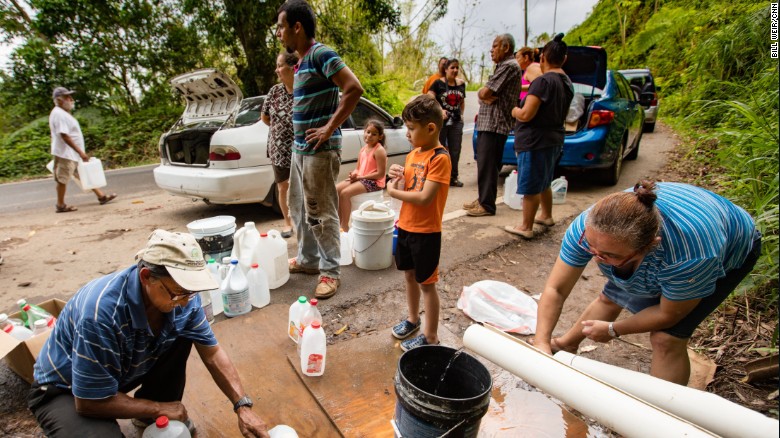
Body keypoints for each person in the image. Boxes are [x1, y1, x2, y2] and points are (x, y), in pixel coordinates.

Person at [28, 230, 269, 437]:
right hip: (66, 390)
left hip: (115, 373)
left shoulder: (183, 295)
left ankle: (147, 413)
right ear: (146, 277)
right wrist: (157, 408)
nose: (186, 302)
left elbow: (212, 353)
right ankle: (152, 409)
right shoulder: (100, 314)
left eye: (191, 293)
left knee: (184, 331)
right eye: (178, 294)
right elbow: (88, 401)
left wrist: (242, 405)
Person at [534, 181, 762, 385]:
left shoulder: (691, 256)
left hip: (732, 246)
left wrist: (614, 330)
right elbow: (556, 289)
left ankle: (663, 414)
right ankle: (565, 344)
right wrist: (541, 343)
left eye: (608, 255)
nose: (596, 258)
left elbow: (668, 313)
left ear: (649, 247)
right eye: (591, 247)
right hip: (667, 228)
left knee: (666, 337)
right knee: (612, 295)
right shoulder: (589, 227)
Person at [276, 0, 364, 299]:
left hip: (319, 150)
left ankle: (330, 271)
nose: (279, 34)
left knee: (321, 211)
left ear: (296, 27)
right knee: (298, 206)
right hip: (300, 149)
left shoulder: (321, 54)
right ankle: (308, 259)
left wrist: (329, 127)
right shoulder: (300, 62)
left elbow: (353, 87)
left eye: (281, 26)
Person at [386, 95, 451, 351]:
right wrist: (395, 178)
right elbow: (407, 186)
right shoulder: (413, 154)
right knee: (409, 276)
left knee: (427, 284)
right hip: (406, 226)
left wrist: (393, 192)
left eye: (411, 128)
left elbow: (424, 198)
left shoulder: (439, 158)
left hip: (427, 232)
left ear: (431, 128)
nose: (407, 133)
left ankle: (431, 335)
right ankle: (413, 320)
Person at [505, 34, 574, 239]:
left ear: (542, 58)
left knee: (531, 185)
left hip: (535, 140)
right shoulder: (567, 82)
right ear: (564, 59)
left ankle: (526, 226)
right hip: (554, 138)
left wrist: (514, 111)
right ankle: (546, 215)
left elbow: (527, 114)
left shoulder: (543, 82)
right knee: (545, 180)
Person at [465, 34, 522, 217]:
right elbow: (483, 95)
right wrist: (483, 95)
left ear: (506, 48)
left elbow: (486, 92)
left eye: (495, 46)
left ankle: (487, 205)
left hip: (495, 124)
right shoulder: (503, 66)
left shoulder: (508, 66)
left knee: (489, 165)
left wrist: (484, 94)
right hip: (488, 123)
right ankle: (483, 199)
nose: (491, 50)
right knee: (484, 163)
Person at [49, 87, 116, 213]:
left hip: (71, 153)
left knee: (83, 175)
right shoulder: (58, 114)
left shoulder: (62, 113)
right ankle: (60, 205)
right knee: (62, 179)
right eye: (67, 97)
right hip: (66, 153)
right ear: (58, 100)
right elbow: (64, 135)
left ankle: (101, 196)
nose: (71, 100)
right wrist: (80, 152)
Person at [261, 52, 299, 238]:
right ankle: (287, 223)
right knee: (283, 186)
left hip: (301, 148)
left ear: (292, 67)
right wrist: (280, 132)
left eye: (279, 65)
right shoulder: (274, 91)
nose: (276, 70)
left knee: (303, 187)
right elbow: (265, 117)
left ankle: (304, 221)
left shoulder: (303, 90)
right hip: (278, 149)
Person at [336, 120, 388, 231]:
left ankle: (345, 225)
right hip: (362, 178)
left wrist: (360, 177)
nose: (369, 136)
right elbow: (358, 168)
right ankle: (339, 222)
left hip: (374, 182)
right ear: (364, 132)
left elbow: (380, 174)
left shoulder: (379, 150)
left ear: (380, 137)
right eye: (368, 132)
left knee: (345, 194)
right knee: (336, 189)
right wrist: (354, 174)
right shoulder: (363, 149)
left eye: (374, 134)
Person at [427, 58, 466, 188]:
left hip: (456, 121)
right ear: (446, 69)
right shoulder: (438, 83)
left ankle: (453, 177)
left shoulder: (461, 84)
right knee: (440, 149)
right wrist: (439, 110)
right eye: (452, 68)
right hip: (441, 121)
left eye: (457, 68)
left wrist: (461, 115)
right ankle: (438, 176)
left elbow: (462, 101)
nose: (455, 70)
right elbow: (429, 97)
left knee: (455, 149)